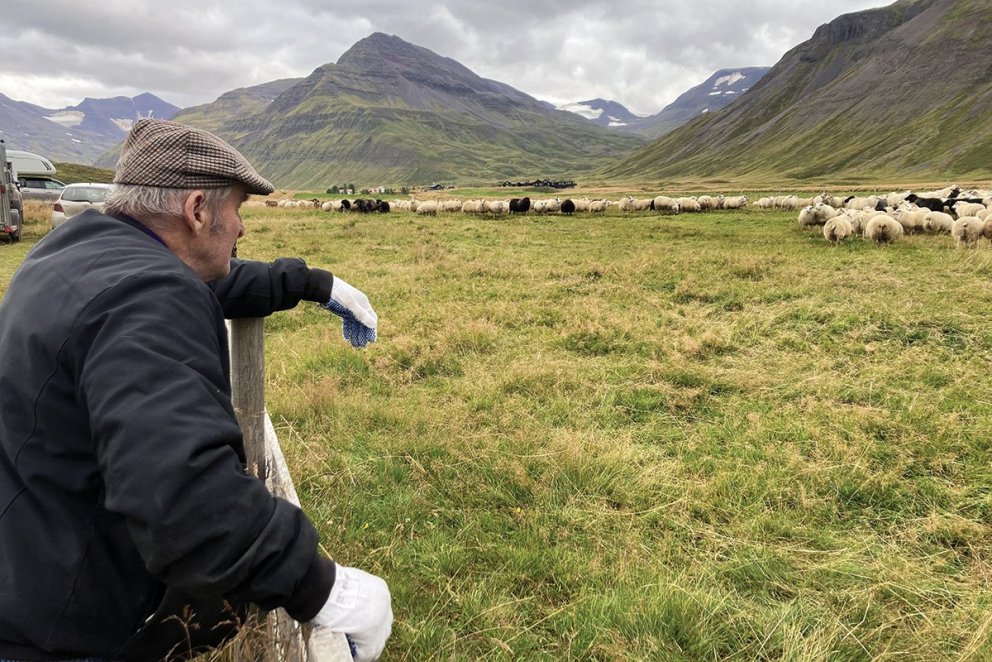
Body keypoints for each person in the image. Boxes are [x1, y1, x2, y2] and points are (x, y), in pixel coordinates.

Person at [0, 119, 392, 662]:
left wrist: (312, 283)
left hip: (28, 560)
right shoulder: (148, 297)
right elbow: (182, 494)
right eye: (238, 210)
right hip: (65, 627)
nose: (241, 229)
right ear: (198, 209)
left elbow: (212, 277)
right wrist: (325, 589)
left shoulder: (76, 251)